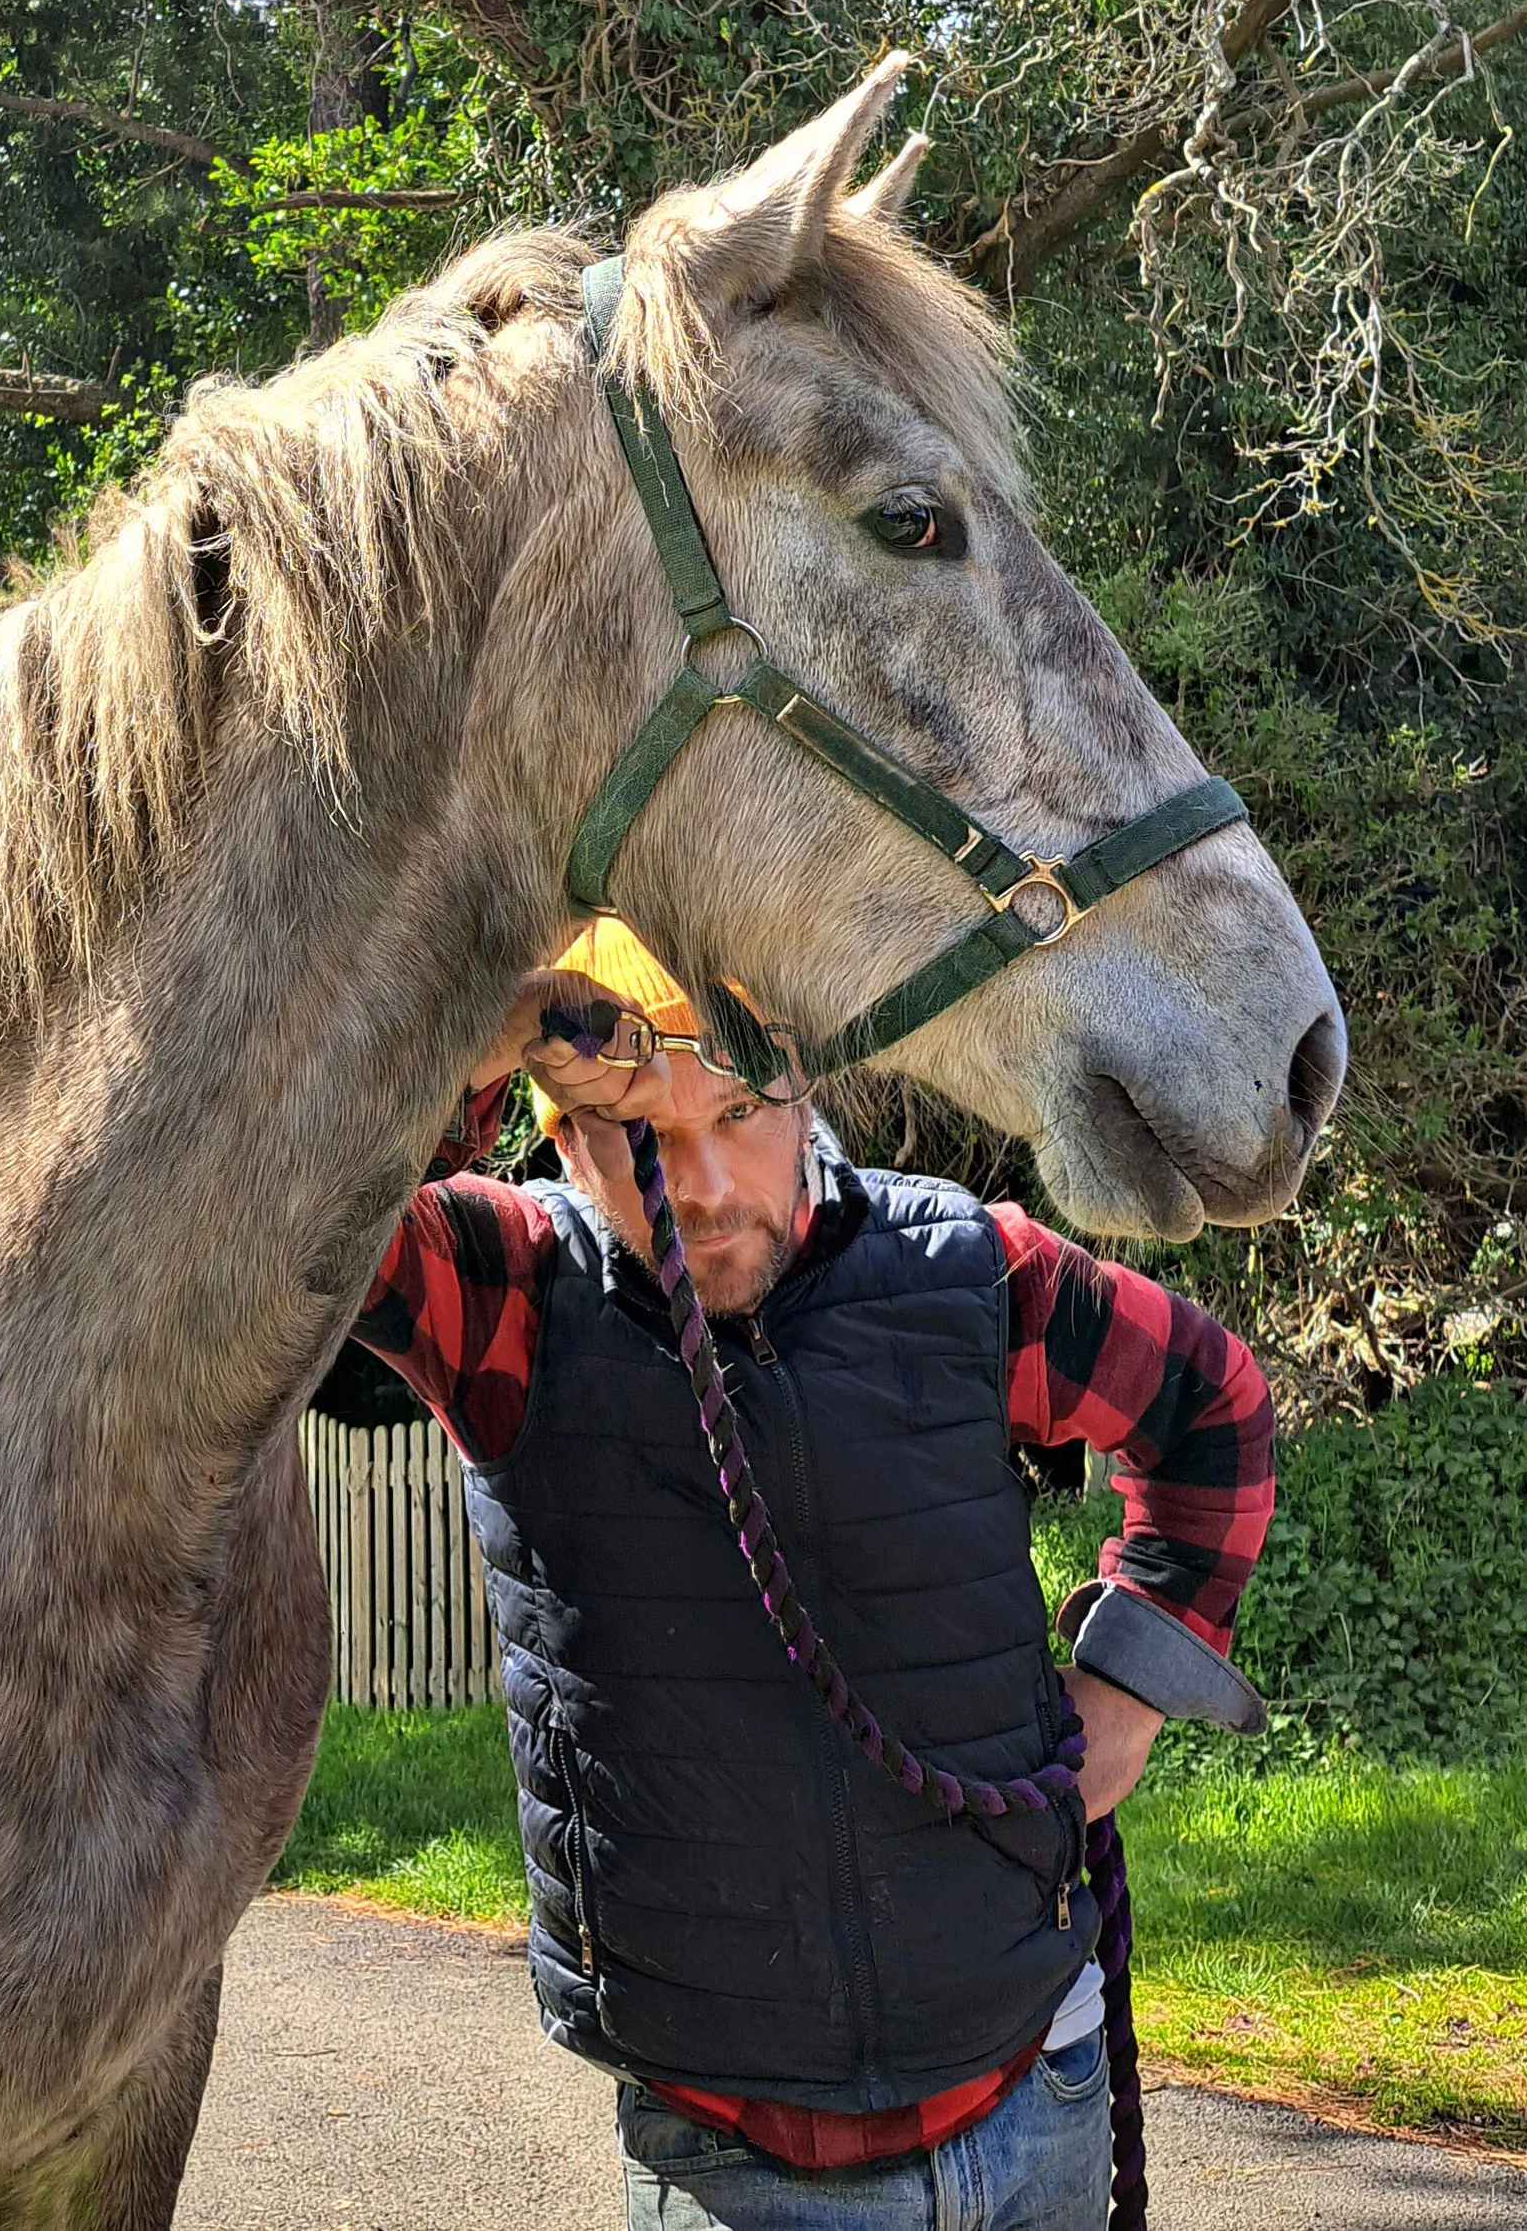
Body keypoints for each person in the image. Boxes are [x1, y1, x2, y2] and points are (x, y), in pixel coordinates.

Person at [355, 926, 1274, 2231]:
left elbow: (1211, 1405)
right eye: (646, 1138)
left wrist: (1129, 1685)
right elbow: (291, 1211)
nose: (715, 1186)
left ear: (804, 1090)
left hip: (1039, 2094)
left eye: (740, 1112)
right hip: (740, 2161)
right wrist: (475, 1040)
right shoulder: (507, 1299)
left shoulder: (971, 1274)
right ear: (561, 1139)